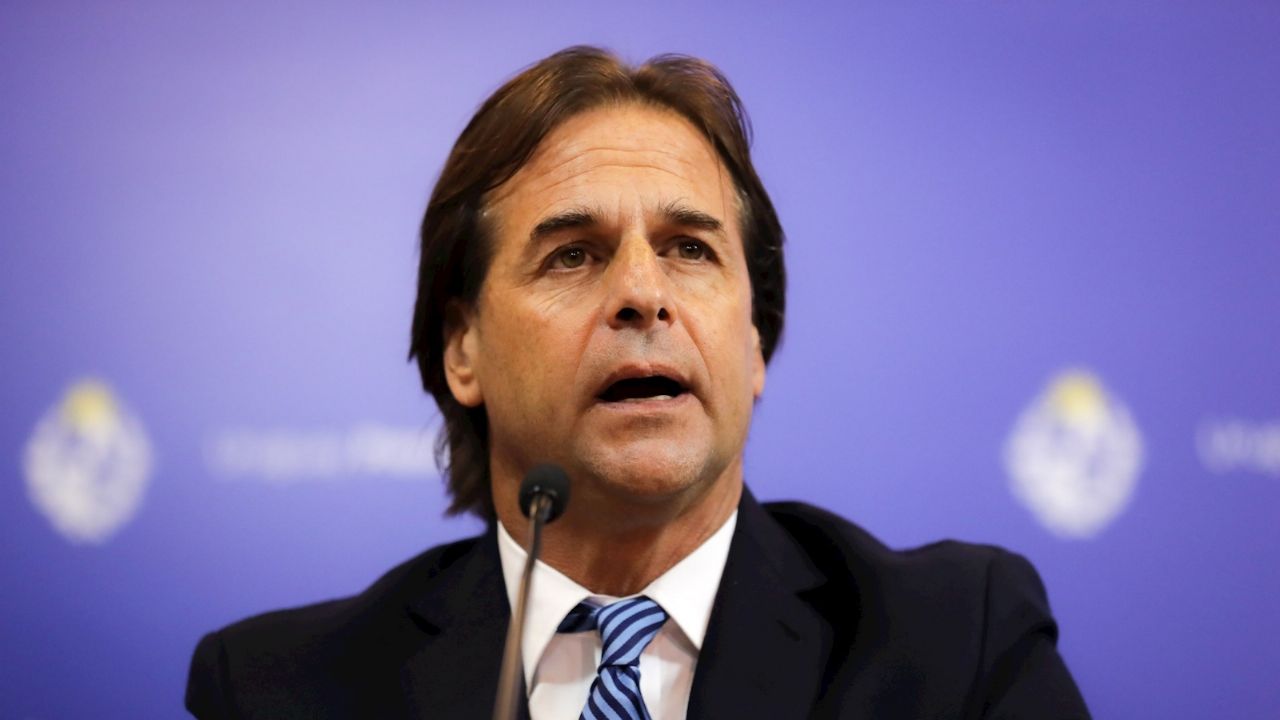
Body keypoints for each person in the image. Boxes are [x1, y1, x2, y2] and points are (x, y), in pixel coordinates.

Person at [185, 46, 1090, 719]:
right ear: (463, 349)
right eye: (573, 255)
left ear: (754, 345)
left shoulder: (952, 645)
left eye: (689, 249)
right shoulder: (281, 689)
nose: (642, 294)